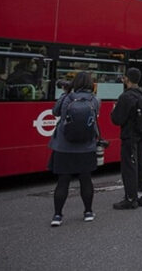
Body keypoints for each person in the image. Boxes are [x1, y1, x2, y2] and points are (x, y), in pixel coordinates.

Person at [48, 71, 100, 226]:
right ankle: (88, 212)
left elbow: (55, 112)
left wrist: (66, 93)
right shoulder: (95, 100)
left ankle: (57, 216)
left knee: (63, 181)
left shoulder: (66, 98)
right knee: (86, 180)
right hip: (86, 146)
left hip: (64, 146)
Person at [110, 68, 142, 210]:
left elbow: (117, 119)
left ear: (127, 79)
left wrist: (114, 110)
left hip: (129, 136)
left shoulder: (126, 97)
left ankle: (130, 198)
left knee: (129, 166)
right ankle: (140, 195)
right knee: (140, 164)